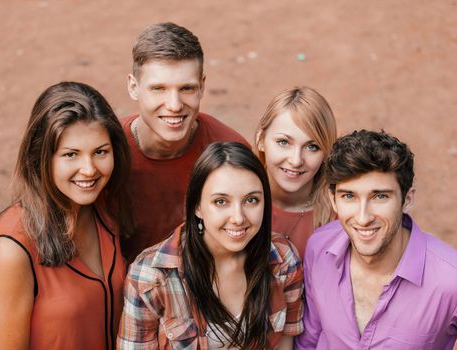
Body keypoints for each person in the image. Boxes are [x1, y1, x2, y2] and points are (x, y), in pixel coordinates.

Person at [0, 82, 132, 350]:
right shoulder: (11, 251)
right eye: (71, 155)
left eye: (100, 152)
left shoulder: (106, 207)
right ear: (41, 157)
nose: (89, 169)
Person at [295, 130, 457, 349]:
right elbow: (309, 342)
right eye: (349, 196)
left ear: (407, 199)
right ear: (333, 200)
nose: (363, 218)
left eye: (380, 196)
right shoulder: (319, 249)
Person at [117, 142, 303, 349]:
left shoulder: (282, 258)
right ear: (197, 206)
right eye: (221, 202)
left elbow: (286, 341)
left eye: (251, 200)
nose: (238, 218)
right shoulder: (150, 276)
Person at [121, 22, 249, 262]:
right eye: (158, 88)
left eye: (186, 88)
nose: (174, 105)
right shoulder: (105, 151)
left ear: (202, 87)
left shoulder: (229, 148)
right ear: (133, 87)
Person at [255, 86, 337, 256]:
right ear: (261, 140)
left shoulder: (339, 215)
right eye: (284, 142)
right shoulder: (236, 203)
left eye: (312, 147)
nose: (296, 160)